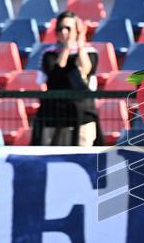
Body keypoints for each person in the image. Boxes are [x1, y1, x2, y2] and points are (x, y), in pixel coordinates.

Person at [33, 11, 99, 146]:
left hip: (82, 116)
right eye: (60, 28)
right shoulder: (49, 54)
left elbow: (86, 70)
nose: (63, 32)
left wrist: (80, 44)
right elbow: (55, 73)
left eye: (68, 28)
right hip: (54, 115)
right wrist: (67, 48)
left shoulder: (90, 52)